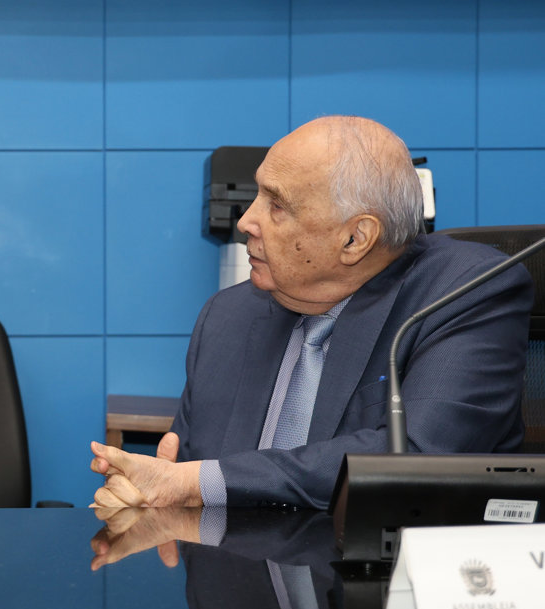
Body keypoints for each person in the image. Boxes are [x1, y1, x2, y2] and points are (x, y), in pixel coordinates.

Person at [91, 115, 532, 510]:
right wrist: (149, 495)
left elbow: (416, 457)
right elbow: (180, 475)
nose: (246, 221)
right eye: (256, 195)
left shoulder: (465, 292)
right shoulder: (227, 316)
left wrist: (195, 485)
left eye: (276, 205)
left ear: (355, 239)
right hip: (235, 568)